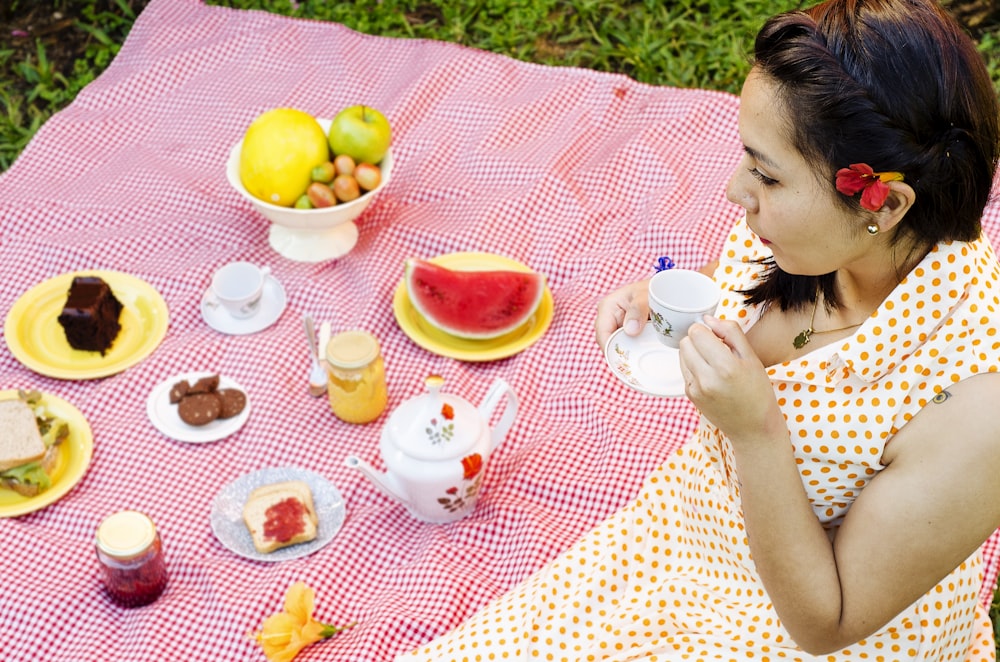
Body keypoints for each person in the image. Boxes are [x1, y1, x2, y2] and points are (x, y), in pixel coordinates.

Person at [397, 0, 1000, 659]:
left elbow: (827, 623)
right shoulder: (814, 241)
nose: (734, 191)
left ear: (882, 203)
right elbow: (741, 276)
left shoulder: (978, 412)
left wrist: (757, 430)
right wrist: (668, 299)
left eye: (767, 174)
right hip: (686, 538)